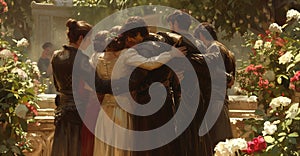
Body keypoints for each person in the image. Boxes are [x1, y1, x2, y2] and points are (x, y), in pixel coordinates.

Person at [93, 16, 187, 156]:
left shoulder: (99, 57)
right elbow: (150, 65)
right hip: (128, 106)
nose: (130, 40)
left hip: (109, 108)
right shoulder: (129, 53)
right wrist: (171, 54)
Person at [51, 19, 113, 156]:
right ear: (80, 38)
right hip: (78, 110)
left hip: (61, 109)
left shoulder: (56, 56)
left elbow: (56, 84)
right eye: (89, 39)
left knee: (62, 149)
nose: (90, 43)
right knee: (76, 149)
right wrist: (124, 83)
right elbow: (99, 85)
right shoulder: (81, 59)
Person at [193, 22, 236, 148]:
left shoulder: (214, 47)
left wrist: (191, 58)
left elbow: (210, 68)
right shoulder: (222, 47)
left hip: (215, 98)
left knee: (218, 139)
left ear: (202, 35)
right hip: (219, 97)